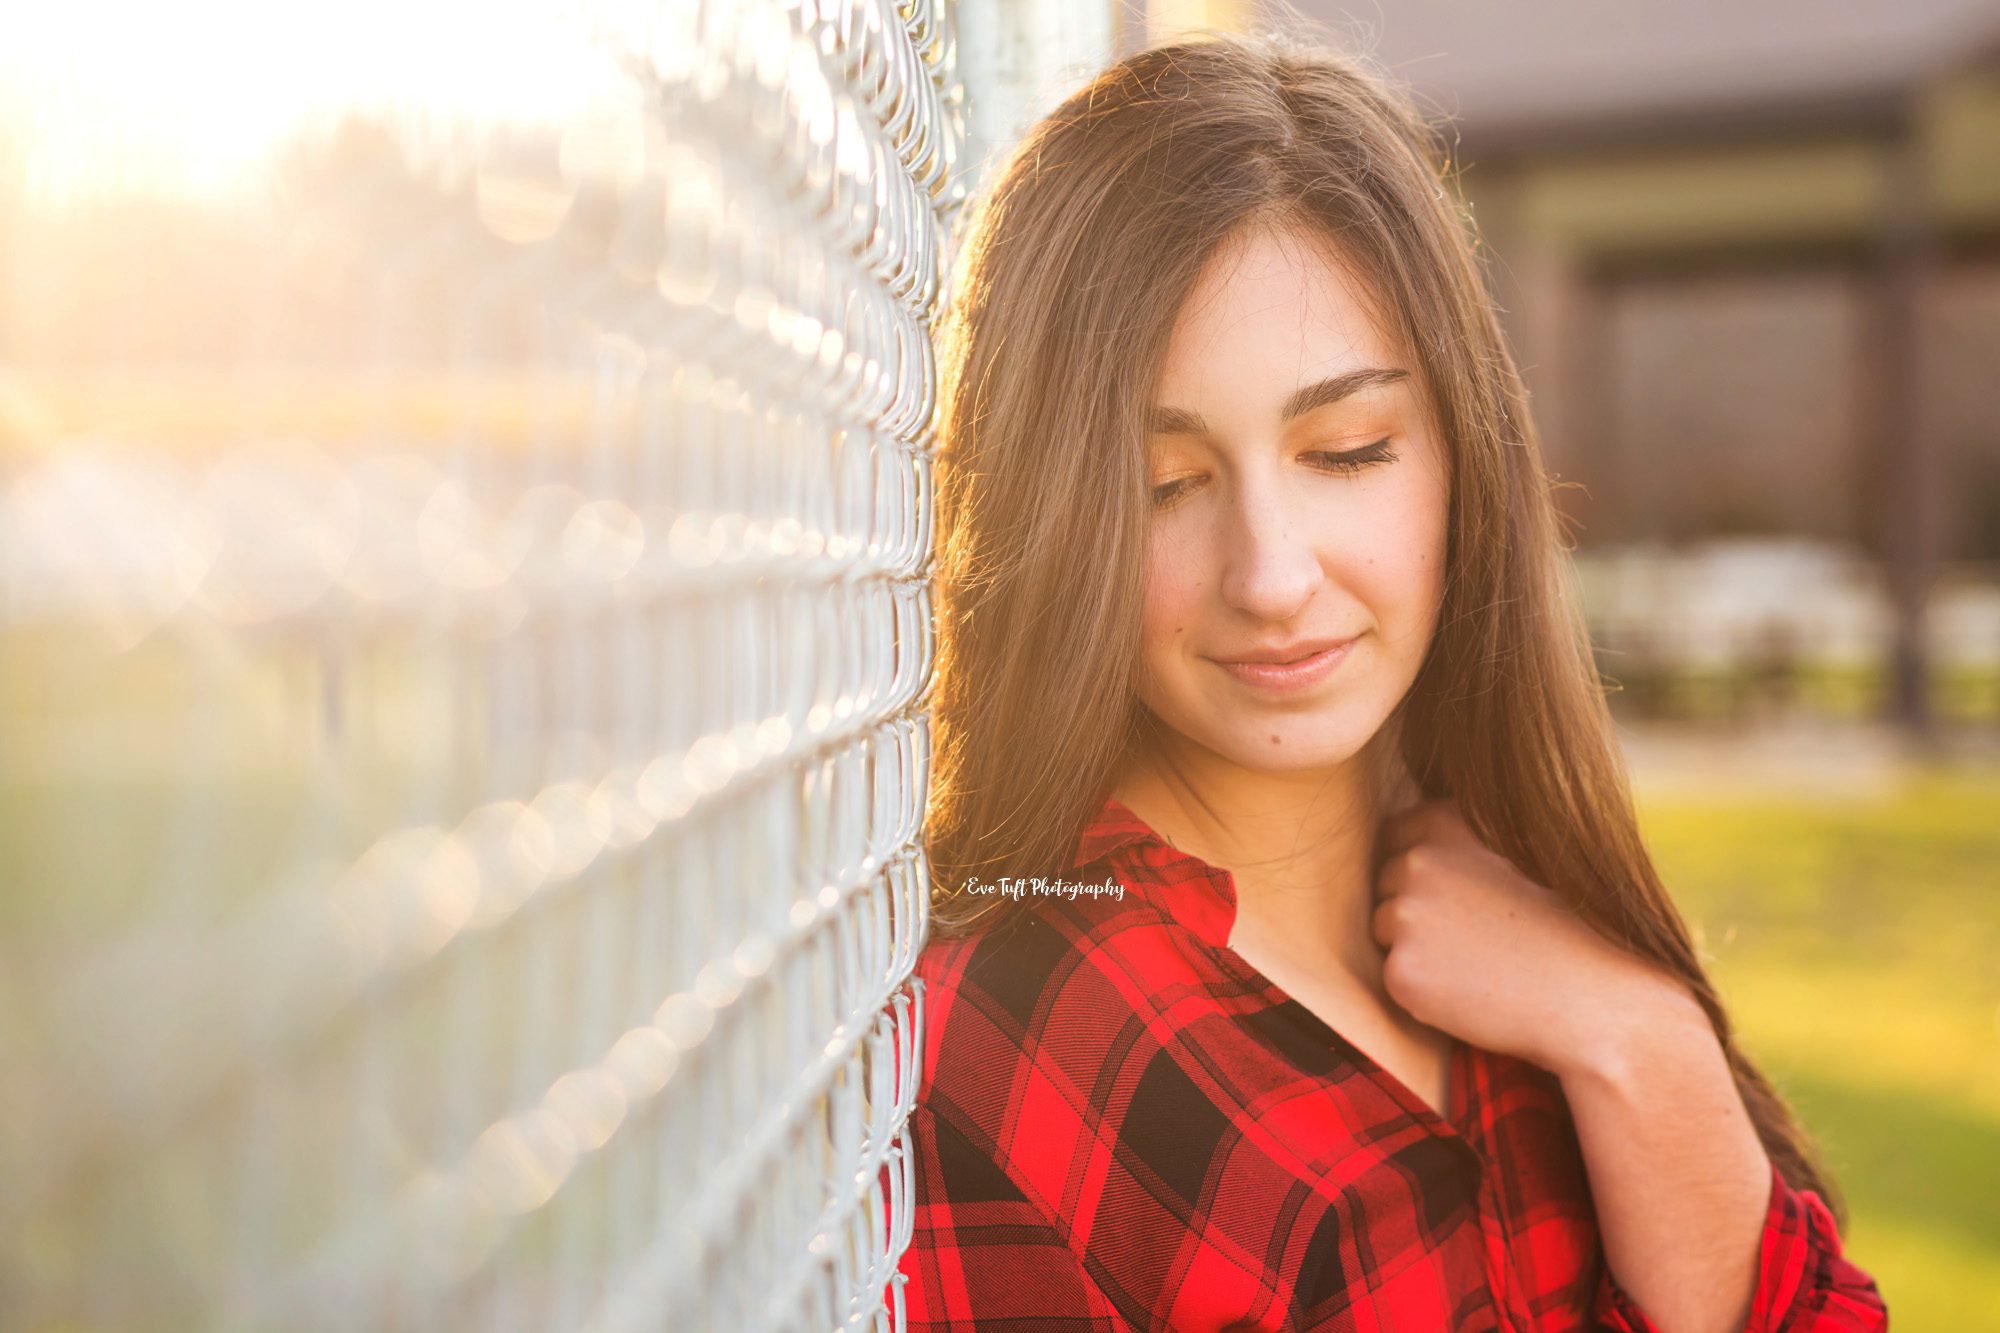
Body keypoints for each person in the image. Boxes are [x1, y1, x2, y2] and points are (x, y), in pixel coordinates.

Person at [887, 27, 1889, 1333]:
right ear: (1053, 512)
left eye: (1348, 449)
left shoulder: (1529, 914)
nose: (1272, 573)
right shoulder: (1022, 1047)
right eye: (1164, 484)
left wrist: (1638, 1042)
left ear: (1458, 449)